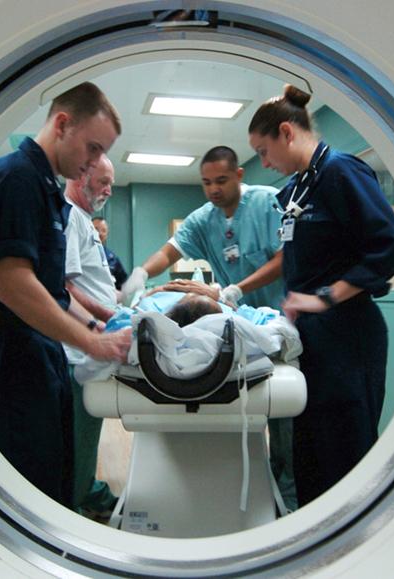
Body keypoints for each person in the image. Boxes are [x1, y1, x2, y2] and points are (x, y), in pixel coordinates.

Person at [0, 82, 131, 508]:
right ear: (61, 125)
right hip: (9, 355)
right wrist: (92, 342)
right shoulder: (13, 179)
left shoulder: (45, 188)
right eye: (92, 149)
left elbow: (53, 290)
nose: (94, 163)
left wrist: (95, 324)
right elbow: (14, 285)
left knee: (54, 478)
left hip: (38, 352)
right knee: (22, 491)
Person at [248, 85, 394, 507]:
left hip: (348, 336)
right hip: (314, 341)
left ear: (286, 132)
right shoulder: (301, 187)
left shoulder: (342, 172)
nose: (264, 163)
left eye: (264, 152)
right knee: (312, 457)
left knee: (346, 458)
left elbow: (391, 245)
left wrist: (326, 296)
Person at [120, 145, 297, 511]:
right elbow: (169, 251)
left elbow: (286, 257)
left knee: (285, 427)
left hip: (277, 317)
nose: (213, 189)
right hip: (232, 317)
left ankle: (288, 501)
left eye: (220, 180)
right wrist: (142, 274)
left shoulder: (268, 203)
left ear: (239, 176)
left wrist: (234, 289)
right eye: (206, 183)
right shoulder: (204, 219)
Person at [62, 155, 122, 520]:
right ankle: (73, 505)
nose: (108, 190)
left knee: (86, 438)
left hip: (93, 344)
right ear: (81, 174)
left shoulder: (83, 221)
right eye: (103, 182)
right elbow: (64, 286)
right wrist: (104, 318)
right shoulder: (70, 217)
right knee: (79, 440)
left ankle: (86, 490)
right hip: (78, 350)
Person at [92, 217, 128, 290]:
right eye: (96, 229)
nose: (100, 233)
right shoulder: (79, 253)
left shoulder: (112, 258)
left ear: (107, 235)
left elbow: (123, 282)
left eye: (104, 231)